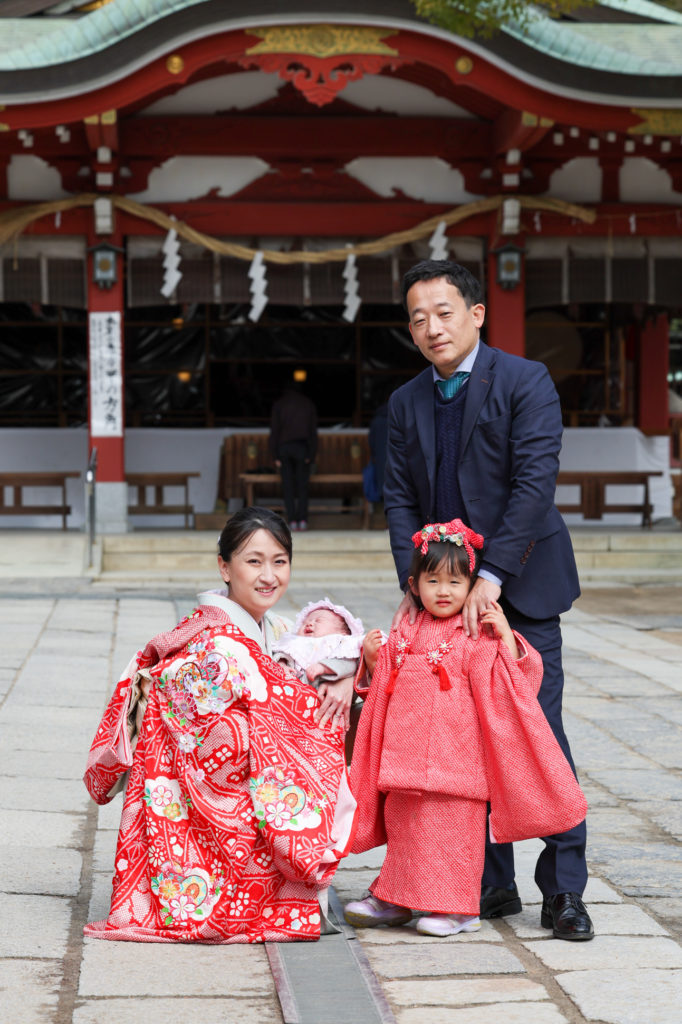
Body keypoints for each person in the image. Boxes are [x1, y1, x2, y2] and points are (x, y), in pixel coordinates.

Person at [383, 258, 592, 941]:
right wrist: (419, 590)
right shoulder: (406, 401)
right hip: (444, 599)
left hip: (521, 589)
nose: (431, 327)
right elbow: (398, 501)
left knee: (540, 737)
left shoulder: (525, 381)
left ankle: (563, 890)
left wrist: (492, 576)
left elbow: (535, 485)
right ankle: (490, 880)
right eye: (417, 317)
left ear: (477, 313)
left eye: (444, 312)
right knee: (461, 744)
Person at [83, 506, 357, 944]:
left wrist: (344, 678)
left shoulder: (281, 628)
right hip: (202, 796)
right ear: (224, 566)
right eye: (254, 561)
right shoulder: (210, 639)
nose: (269, 575)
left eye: (279, 561)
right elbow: (237, 719)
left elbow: (322, 664)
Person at [344, 519, 586, 937]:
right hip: (406, 755)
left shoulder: (476, 632)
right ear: (414, 584)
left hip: (457, 759)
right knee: (407, 831)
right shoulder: (407, 628)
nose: (442, 591)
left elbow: (514, 683)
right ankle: (396, 897)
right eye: (432, 580)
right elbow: (384, 682)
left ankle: (459, 909)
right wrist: (371, 658)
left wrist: (507, 636)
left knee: (452, 837)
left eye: (455, 582)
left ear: (472, 585)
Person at [269, 380, 318, 532]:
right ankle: (302, 520)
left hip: (284, 449)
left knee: (288, 487)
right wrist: (311, 454)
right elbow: (313, 432)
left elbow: (274, 431)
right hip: (302, 448)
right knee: (302, 487)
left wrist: (275, 455)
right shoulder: (307, 404)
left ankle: (291, 521)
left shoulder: (279, 404)